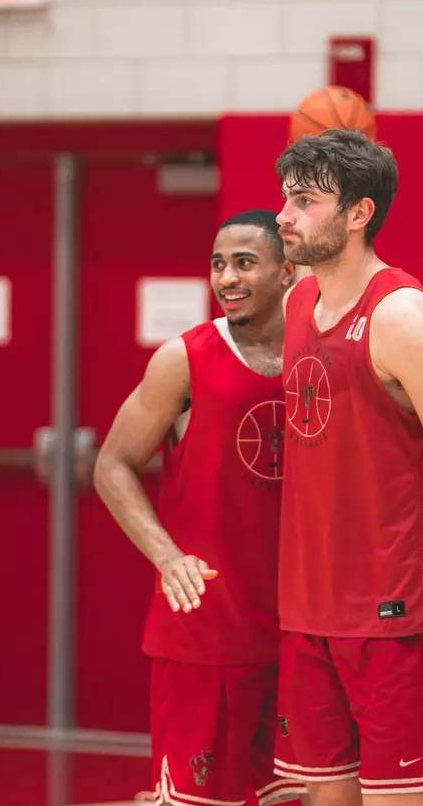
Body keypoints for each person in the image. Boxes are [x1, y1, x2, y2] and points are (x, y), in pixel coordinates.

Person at [271, 129, 423, 805]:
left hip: (392, 622)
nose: (283, 215)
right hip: (307, 615)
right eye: (285, 197)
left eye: (305, 201)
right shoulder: (297, 301)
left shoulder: (402, 315)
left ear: (359, 213)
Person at [94, 210, 306, 806]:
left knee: (304, 798)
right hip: (206, 634)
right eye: (218, 264)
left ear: (288, 271)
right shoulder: (183, 358)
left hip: (300, 634)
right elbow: (112, 464)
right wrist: (168, 557)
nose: (227, 278)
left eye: (244, 263)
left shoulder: (319, 354)